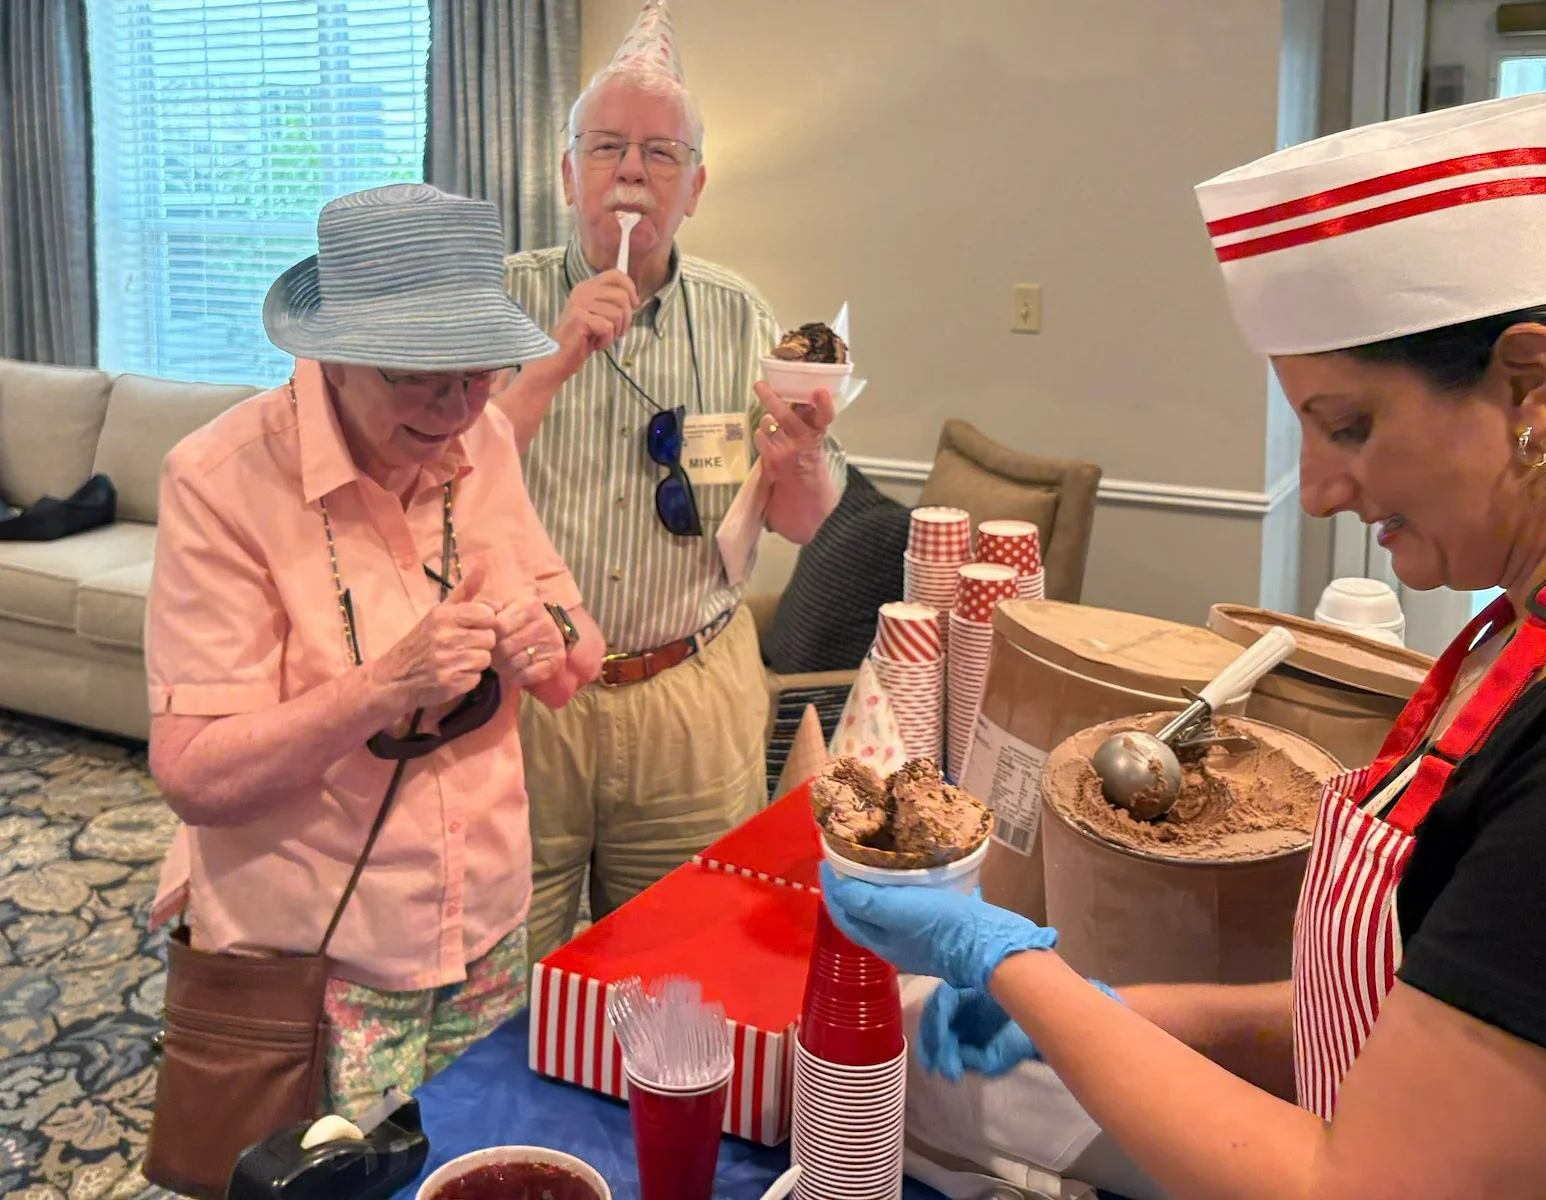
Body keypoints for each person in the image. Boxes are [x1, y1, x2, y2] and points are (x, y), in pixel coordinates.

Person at [821, 93, 1546, 1197]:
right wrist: (1116, 1008)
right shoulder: (1502, 634)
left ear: (1526, 387)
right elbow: (1424, 1013)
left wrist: (1008, 962)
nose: (1323, 492)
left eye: (1350, 425)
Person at [145, 183, 605, 1116]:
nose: (458, 406)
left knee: (472, 1162)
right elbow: (192, 773)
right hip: (323, 960)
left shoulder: (485, 442)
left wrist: (541, 639)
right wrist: (386, 684)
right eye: (419, 375)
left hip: (487, 925)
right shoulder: (222, 481)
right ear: (333, 356)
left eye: (479, 371)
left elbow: (577, 654)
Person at [498, 0, 846, 963]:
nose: (633, 174)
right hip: (525, 695)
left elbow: (808, 522)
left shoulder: (741, 318)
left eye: (662, 155)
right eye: (608, 148)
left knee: (676, 968)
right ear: (568, 172)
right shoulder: (505, 302)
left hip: (688, 691)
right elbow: (446, 479)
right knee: (498, 972)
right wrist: (555, 357)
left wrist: (799, 456)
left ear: (695, 186)